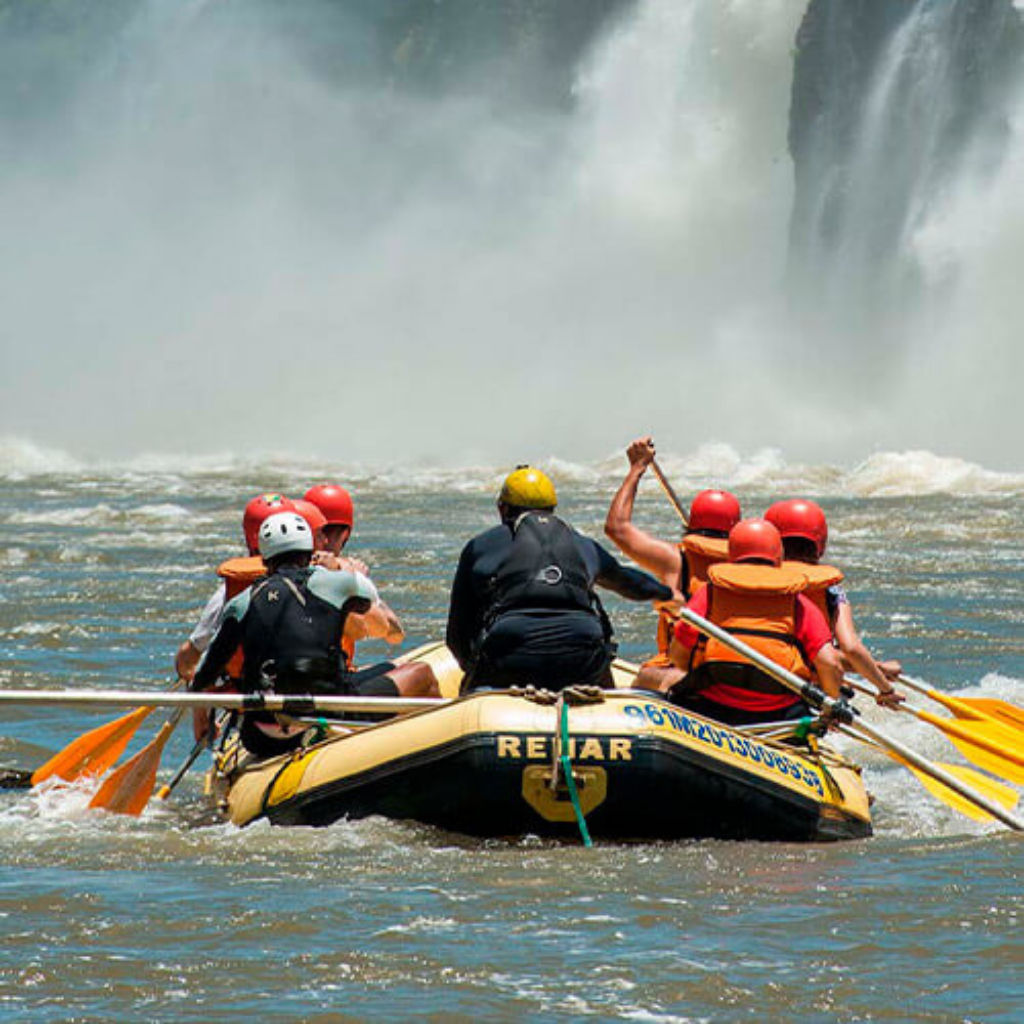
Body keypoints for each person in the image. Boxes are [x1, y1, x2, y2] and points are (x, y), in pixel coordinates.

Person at [192, 512, 439, 758]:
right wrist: (347, 569)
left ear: (264, 559)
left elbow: (202, 679)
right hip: (330, 715)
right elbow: (370, 599)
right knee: (422, 674)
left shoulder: (241, 602)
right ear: (309, 551)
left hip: (260, 737)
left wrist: (201, 723)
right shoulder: (337, 582)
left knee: (381, 669)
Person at [447, 465, 679, 693]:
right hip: (582, 662)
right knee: (601, 668)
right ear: (552, 509)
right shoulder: (582, 544)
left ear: (502, 509)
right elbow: (630, 583)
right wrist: (666, 593)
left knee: (468, 688)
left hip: (510, 661)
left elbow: (457, 634)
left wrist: (474, 668)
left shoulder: (481, 546)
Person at [667, 518, 845, 726]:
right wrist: (829, 705)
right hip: (780, 716)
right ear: (779, 556)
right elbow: (830, 663)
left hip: (712, 708)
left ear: (731, 554)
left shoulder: (709, 594)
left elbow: (678, 654)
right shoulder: (798, 604)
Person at [604, 437, 741, 692]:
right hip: (737, 674)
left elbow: (617, 528)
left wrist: (637, 469)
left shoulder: (676, 560)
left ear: (690, 526)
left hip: (682, 675)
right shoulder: (752, 565)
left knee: (645, 678)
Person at [764, 498, 903, 708]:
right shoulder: (831, 590)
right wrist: (885, 688)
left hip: (746, 684)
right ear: (820, 545)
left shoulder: (750, 582)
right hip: (803, 692)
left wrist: (877, 668)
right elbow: (851, 648)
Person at [174, 492, 294, 685]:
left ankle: (202, 717)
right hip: (305, 686)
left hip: (246, 691)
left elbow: (190, 656)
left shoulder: (233, 587)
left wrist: (185, 670)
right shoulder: (317, 581)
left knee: (198, 672)